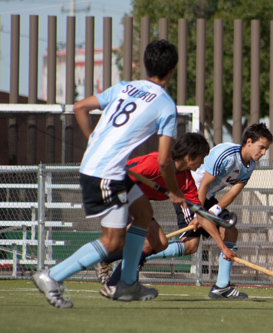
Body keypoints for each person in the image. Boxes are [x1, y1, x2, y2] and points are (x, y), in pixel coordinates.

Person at [32, 39, 186, 308]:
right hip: (106, 173)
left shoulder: (125, 87)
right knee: (113, 242)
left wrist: (93, 139)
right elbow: (164, 161)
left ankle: (127, 284)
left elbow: (80, 107)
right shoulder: (165, 105)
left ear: (146, 64)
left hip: (105, 166)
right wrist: (174, 192)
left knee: (143, 214)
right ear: (172, 70)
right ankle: (52, 276)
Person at [96, 132, 237, 298]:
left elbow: (200, 215)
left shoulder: (186, 180)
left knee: (161, 243)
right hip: (118, 193)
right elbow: (121, 178)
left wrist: (223, 247)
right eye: (201, 157)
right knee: (147, 242)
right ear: (190, 156)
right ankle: (118, 283)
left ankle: (108, 268)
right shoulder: (156, 163)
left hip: (139, 202)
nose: (202, 163)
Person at [147, 123, 273, 300]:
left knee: (230, 230)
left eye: (266, 149)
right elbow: (204, 185)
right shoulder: (226, 155)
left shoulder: (250, 165)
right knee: (191, 245)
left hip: (207, 198)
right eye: (262, 147)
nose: (263, 153)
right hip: (191, 194)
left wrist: (215, 210)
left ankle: (221, 286)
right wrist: (199, 213)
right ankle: (142, 256)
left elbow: (233, 191)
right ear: (249, 142)